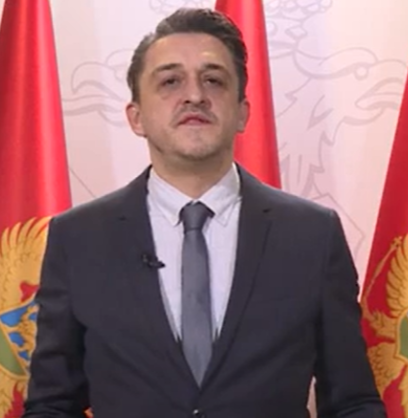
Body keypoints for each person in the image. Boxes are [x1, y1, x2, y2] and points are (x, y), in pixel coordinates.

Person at [22, 7, 385, 418]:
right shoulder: (79, 239)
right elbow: (52, 405)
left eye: (213, 80)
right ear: (136, 117)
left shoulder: (312, 235)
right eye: (170, 81)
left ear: (242, 112)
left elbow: (353, 402)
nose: (194, 95)